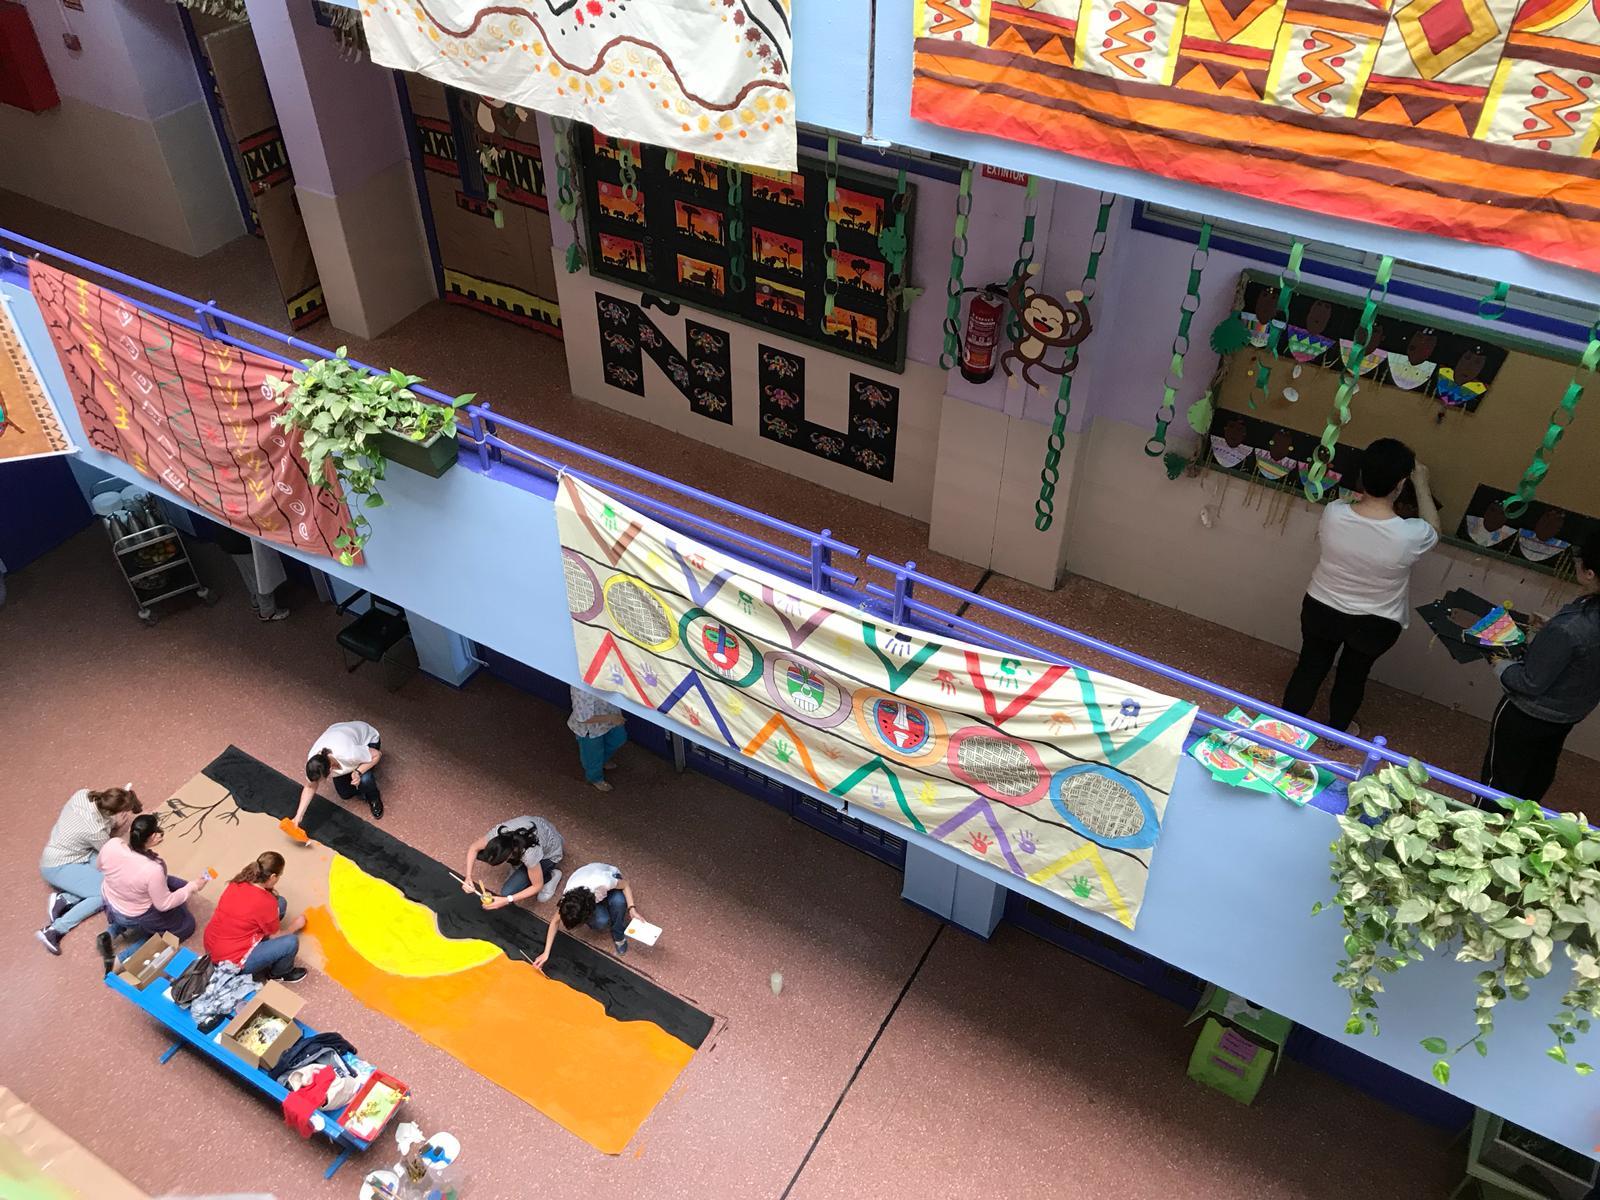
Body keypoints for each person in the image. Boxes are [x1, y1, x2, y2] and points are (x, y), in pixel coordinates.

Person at [1281, 439, 1440, 734]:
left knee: (1310, 667)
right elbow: (1434, 528)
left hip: (1321, 609)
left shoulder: (1334, 512)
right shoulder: (1410, 535)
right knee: (1353, 676)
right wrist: (1422, 484)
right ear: (1401, 484)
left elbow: (1355, 504)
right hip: (1376, 624)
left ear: (1361, 475)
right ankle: (1338, 731)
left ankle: (1285, 728)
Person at [1482, 530, 1600, 803]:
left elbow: (1529, 682)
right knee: (1538, 771)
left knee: (1499, 776)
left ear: (1589, 573)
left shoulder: (1571, 627)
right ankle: (1522, 821)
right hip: (1567, 714)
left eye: (1578, 561)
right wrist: (1551, 633)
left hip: (1527, 712)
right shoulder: (1578, 622)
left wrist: (1498, 662)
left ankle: (1484, 819)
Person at [37, 785, 142, 955]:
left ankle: (65, 899)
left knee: (110, 874)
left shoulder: (82, 795)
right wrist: (118, 827)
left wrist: (112, 822)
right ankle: (54, 930)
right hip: (58, 866)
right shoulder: (95, 831)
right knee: (103, 892)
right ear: (110, 812)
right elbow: (110, 852)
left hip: (77, 852)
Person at [98, 814, 209, 952]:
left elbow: (100, 867)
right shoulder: (153, 869)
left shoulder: (113, 844)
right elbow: (164, 904)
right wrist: (192, 887)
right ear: (153, 837)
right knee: (186, 926)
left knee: (168, 885)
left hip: (111, 900)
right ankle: (125, 956)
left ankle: (111, 932)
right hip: (135, 914)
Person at [204, 852, 308, 982]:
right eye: (279, 876)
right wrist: (295, 926)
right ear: (273, 876)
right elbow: (275, 936)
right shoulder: (267, 902)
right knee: (290, 942)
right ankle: (280, 973)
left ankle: (261, 946)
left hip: (212, 945)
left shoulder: (237, 883)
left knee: (280, 903)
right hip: (230, 962)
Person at [532, 862, 643, 967]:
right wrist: (546, 953)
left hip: (610, 878)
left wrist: (632, 909)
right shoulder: (569, 899)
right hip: (588, 885)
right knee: (600, 921)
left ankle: (618, 932)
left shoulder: (604, 882)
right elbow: (554, 922)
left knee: (618, 903)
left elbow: (625, 885)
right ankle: (606, 905)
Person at [290, 719, 384, 828]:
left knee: (365, 779)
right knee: (345, 794)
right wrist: (299, 816)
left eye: (321, 780)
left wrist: (358, 772)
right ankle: (354, 775)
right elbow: (310, 786)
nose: (319, 783)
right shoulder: (313, 762)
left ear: (330, 770)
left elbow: (377, 755)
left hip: (368, 740)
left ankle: (373, 798)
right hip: (340, 733)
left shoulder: (349, 754)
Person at [463, 815, 566, 907]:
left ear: (509, 855)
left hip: (551, 853)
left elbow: (537, 886)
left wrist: (506, 900)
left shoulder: (529, 853)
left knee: (507, 892)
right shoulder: (498, 834)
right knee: (515, 882)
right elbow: (474, 848)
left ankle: (551, 876)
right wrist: (468, 877)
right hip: (541, 827)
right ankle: (520, 869)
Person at [213, 524, 288, 621]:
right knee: (260, 577)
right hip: (242, 540)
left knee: (248, 574)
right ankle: (268, 611)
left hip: (229, 538)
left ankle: (256, 601)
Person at [569, 685, 626, 792]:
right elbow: (582, 718)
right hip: (590, 728)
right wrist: (611, 718)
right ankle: (595, 778)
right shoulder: (581, 689)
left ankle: (602, 761)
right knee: (593, 756)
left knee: (618, 739)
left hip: (610, 715)